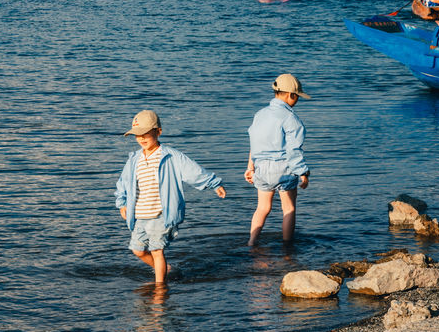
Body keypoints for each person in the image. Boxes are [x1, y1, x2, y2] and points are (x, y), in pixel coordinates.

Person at [115, 110, 226, 284]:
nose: (141, 139)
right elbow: (124, 182)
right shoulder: (134, 159)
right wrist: (122, 203)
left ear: (158, 132)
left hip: (161, 214)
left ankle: (160, 288)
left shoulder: (170, 156)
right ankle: (166, 270)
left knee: (157, 251)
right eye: (137, 135)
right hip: (140, 214)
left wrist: (213, 183)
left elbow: (193, 171)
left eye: (146, 134)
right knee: (138, 250)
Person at [244, 74, 310, 246]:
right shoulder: (291, 118)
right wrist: (302, 172)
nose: (297, 101)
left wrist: (250, 167)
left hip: (261, 169)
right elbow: (293, 149)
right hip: (283, 169)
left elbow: (254, 142)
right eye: (297, 97)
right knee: (288, 208)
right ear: (291, 95)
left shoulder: (260, 114)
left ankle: (252, 242)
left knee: (262, 208)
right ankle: (287, 247)